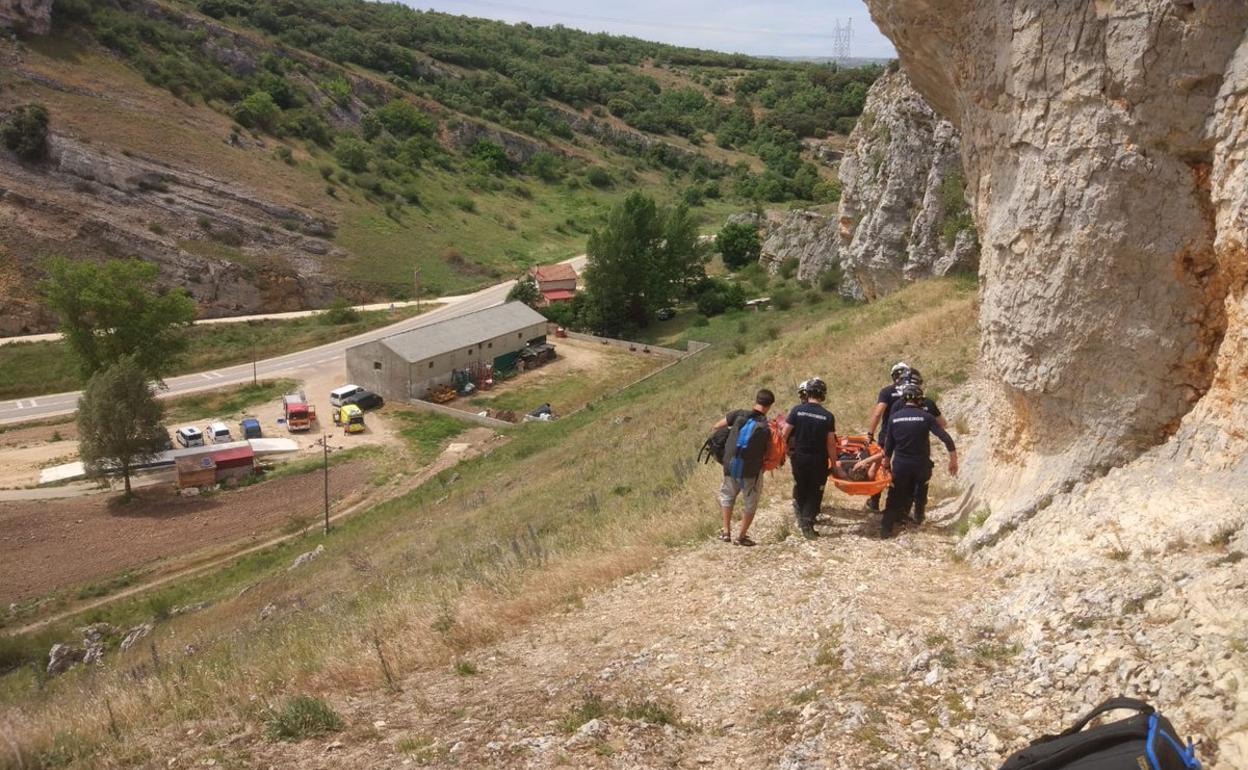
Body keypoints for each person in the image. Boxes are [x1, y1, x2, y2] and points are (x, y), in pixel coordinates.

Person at [877, 382, 957, 539]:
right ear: (920, 401)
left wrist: (886, 463)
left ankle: (886, 529)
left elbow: (889, 445)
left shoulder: (894, 419)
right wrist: (953, 459)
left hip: (900, 464)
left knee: (894, 495)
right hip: (921, 464)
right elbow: (946, 438)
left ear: (903, 400)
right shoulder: (926, 417)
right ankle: (918, 518)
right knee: (920, 490)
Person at [712, 388, 775, 547]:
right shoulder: (766, 426)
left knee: (727, 496)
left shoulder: (739, 414)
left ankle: (726, 532)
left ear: (756, 400)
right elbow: (769, 450)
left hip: (731, 465)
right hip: (751, 470)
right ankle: (741, 536)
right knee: (750, 502)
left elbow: (716, 427)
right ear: (769, 406)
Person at [781, 377, 837, 539]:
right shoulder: (828, 416)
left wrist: (783, 452)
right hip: (818, 459)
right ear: (823, 395)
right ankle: (807, 522)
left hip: (799, 457)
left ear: (808, 393)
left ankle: (800, 512)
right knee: (815, 490)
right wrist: (834, 464)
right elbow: (831, 443)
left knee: (801, 484)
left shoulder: (797, 410)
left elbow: (784, 433)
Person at [864, 362, 911, 512]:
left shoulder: (887, 392)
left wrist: (870, 434)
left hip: (888, 435)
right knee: (902, 469)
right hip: (908, 437)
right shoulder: (914, 392)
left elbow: (878, 413)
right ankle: (899, 504)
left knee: (877, 466)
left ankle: (874, 501)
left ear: (893, 376)